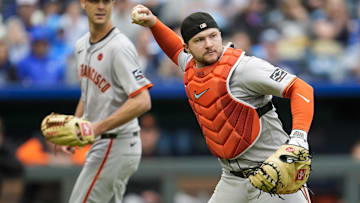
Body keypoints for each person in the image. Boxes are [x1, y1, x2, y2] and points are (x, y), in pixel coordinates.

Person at [131, 5, 313, 203]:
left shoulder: (245, 68)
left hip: (273, 174)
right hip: (232, 180)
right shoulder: (192, 65)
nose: (209, 44)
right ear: (188, 48)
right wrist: (153, 23)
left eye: (213, 36)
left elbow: (302, 89)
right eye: (199, 40)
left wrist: (299, 137)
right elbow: (173, 48)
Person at [61, 0, 153, 202]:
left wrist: (96, 128)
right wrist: (73, 128)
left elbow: (143, 101)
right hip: (105, 144)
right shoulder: (80, 45)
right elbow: (88, 93)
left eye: (106, 1)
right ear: (83, 3)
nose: (101, 6)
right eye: (95, 1)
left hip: (116, 143)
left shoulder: (120, 47)